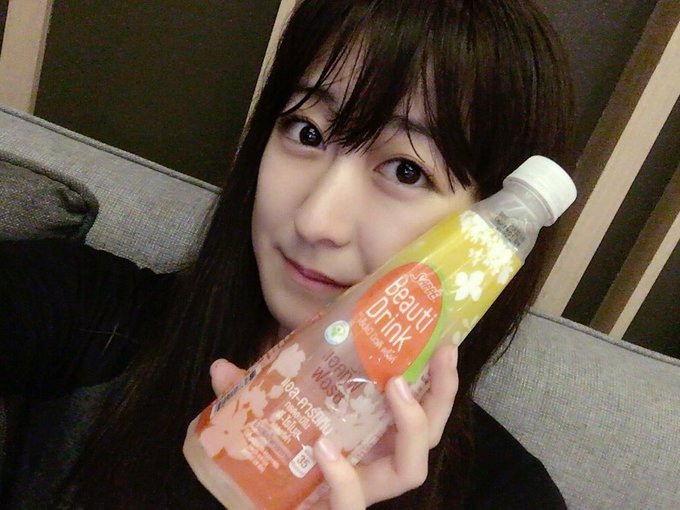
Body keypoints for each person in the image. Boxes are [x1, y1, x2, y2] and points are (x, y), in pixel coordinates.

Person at [0, 0, 574, 508]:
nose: (315, 220)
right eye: (307, 131)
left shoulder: (507, 495)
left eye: (406, 170)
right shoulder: (82, 315)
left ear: (491, 240)